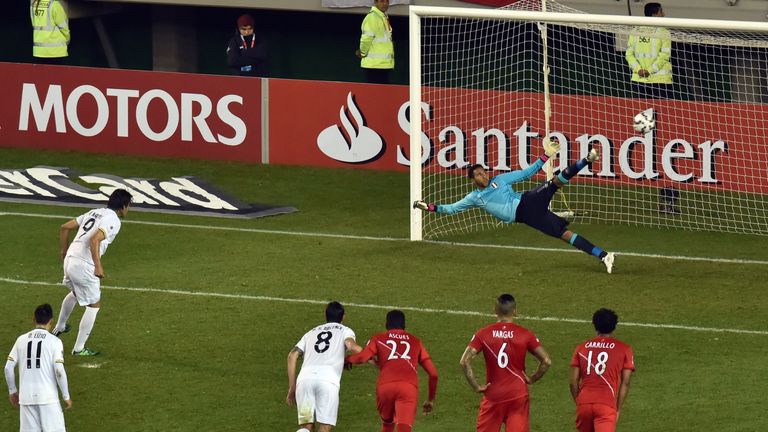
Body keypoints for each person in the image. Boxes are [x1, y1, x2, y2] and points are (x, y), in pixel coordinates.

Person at [413, 141, 616, 273]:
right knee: (564, 234)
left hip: (527, 202)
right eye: (478, 175)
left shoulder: (500, 179)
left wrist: (545, 156)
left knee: (555, 182)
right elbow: (451, 209)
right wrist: (429, 207)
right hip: (528, 218)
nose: (483, 176)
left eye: (483, 172)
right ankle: (604, 255)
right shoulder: (474, 197)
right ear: (472, 180)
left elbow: (527, 173)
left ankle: (586, 159)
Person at [52, 188, 133, 356]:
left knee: (76, 293)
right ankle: (79, 348)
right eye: (129, 205)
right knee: (94, 305)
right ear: (123, 206)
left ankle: (60, 326)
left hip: (70, 260)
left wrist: (63, 251)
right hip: (84, 264)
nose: (129, 209)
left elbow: (65, 227)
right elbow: (94, 239)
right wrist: (98, 265)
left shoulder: (94, 212)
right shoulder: (113, 220)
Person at [459, 294, 551, 432]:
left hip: (493, 395)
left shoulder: (483, 334)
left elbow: (464, 361)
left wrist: (476, 386)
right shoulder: (525, 334)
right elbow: (546, 361)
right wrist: (532, 378)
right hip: (518, 395)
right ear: (515, 311)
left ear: (495, 310)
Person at [346, 310, 438, 432]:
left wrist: (347, 359)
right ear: (404, 325)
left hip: (385, 387)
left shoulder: (379, 338)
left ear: (387, 324)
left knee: (387, 424)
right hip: (408, 388)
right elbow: (433, 374)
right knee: (404, 428)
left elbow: (363, 357)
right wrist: (430, 400)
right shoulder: (416, 342)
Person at [287, 301, 363, 432]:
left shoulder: (311, 333)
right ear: (343, 317)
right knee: (325, 426)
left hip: (304, 382)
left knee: (306, 425)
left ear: (325, 315)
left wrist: (292, 388)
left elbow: (292, 355)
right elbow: (352, 346)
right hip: (327, 382)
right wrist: (370, 355)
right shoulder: (345, 330)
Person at [4, 304, 72, 432]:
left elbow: (8, 368)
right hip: (48, 398)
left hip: (26, 398)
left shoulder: (21, 340)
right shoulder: (55, 342)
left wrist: (12, 391)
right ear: (51, 322)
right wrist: (66, 396)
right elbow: (59, 371)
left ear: (34, 320)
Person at [569, 308, 635, 432]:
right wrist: (618, 410)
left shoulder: (581, 348)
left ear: (594, 325)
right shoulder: (624, 349)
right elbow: (626, 382)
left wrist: (580, 403)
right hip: (606, 404)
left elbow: (573, 382)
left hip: (584, 403)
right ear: (614, 326)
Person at [625, 3, 673, 100]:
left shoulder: (635, 31)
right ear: (654, 14)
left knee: (642, 112)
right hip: (660, 80)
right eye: (661, 11)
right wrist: (649, 71)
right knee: (662, 112)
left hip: (639, 79)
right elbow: (664, 55)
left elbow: (629, 54)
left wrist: (638, 70)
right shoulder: (664, 32)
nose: (663, 14)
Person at [355, 0, 394, 84]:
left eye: (387, 1)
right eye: (382, 1)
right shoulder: (372, 17)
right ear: (375, 2)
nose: (385, 4)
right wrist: (362, 52)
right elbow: (366, 38)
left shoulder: (383, 17)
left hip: (383, 65)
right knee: (375, 94)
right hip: (374, 66)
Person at [30, 0, 70, 65]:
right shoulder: (55, 5)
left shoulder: (34, 4)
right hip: (57, 52)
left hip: (39, 52)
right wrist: (67, 39)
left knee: (42, 75)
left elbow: (33, 24)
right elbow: (64, 27)